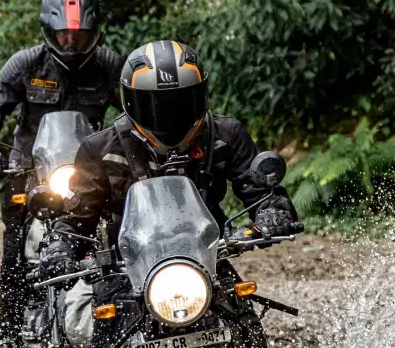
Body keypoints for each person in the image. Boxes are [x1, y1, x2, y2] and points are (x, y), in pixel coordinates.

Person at [0, 0, 123, 348]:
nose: (71, 42)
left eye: (80, 34)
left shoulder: (108, 66)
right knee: (14, 252)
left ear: (96, 32)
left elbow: (135, 116)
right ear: (48, 31)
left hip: (88, 172)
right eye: (64, 35)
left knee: (117, 237)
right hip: (28, 170)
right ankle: (8, 340)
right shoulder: (25, 64)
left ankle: (122, 322)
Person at [64, 38, 299, 242]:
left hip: (209, 251)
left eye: (180, 102)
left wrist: (272, 211)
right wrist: (61, 247)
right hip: (123, 263)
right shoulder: (99, 149)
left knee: (240, 296)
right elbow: (75, 219)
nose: (168, 114)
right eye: (156, 105)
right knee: (79, 296)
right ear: (129, 102)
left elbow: (258, 191)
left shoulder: (226, 134)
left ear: (201, 94)